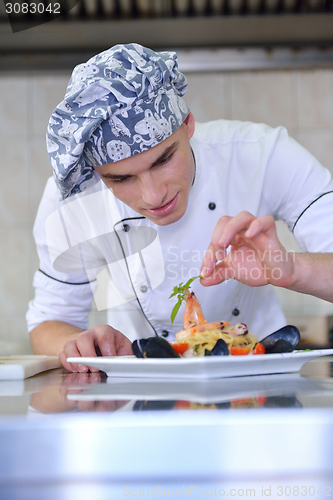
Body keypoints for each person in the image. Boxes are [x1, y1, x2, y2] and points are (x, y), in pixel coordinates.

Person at [26, 43, 333, 372]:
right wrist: (78, 342)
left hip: (261, 382)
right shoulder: (73, 201)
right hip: (140, 393)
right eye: (121, 179)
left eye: (164, 159)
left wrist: (292, 270)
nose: (153, 195)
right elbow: (50, 321)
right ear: (98, 175)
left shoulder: (262, 154)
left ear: (187, 124)